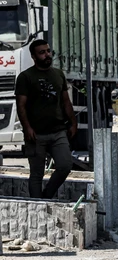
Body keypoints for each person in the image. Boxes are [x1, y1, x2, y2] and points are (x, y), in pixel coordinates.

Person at [15, 39, 78, 199]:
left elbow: (65, 101)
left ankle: (47, 196)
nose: (47, 55)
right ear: (34, 56)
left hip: (58, 131)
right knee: (36, 174)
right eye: (42, 52)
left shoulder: (58, 74)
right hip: (36, 135)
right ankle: (37, 204)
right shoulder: (25, 77)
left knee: (65, 165)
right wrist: (27, 128)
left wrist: (73, 122)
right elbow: (21, 105)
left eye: (48, 51)